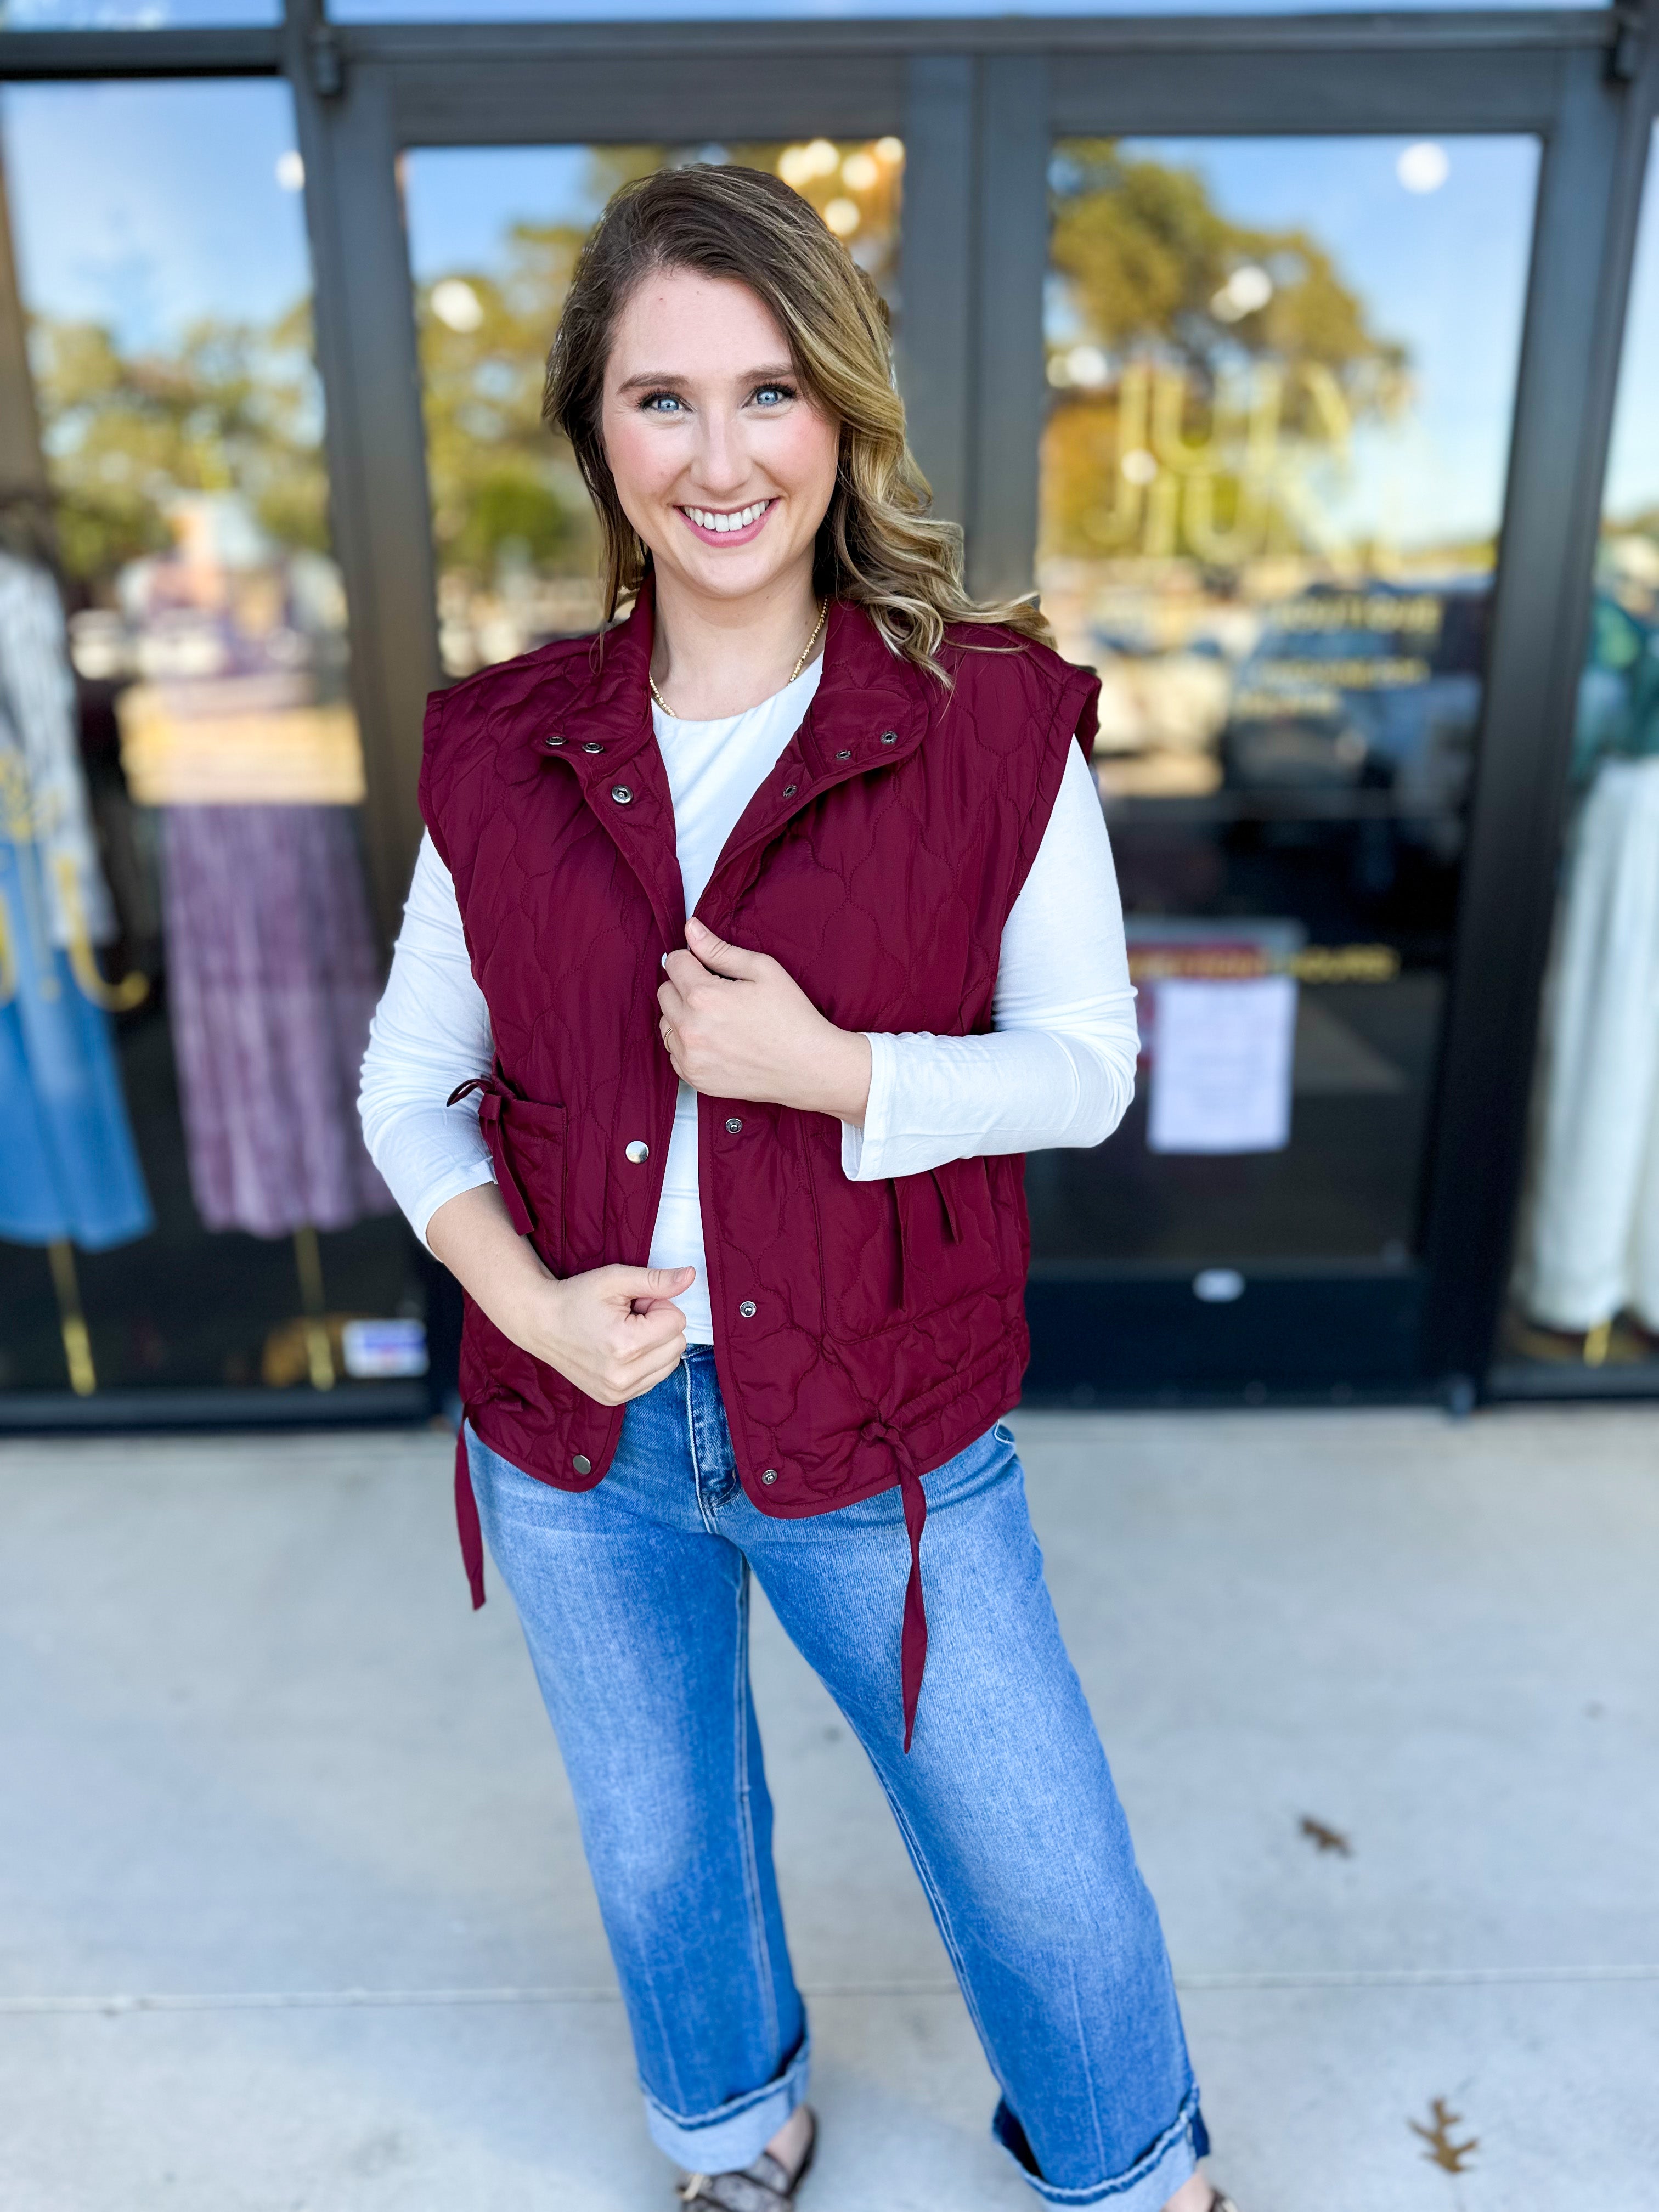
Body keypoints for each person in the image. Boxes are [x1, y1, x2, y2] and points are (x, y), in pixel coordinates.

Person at [360, 162, 1236, 2212]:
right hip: (578, 1430)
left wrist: (834, 1070)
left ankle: (1131, 2166)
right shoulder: (502, 751)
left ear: (838, 419)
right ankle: (731, 2129)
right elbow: (412, 1082)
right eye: (662, 399)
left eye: (769, 392)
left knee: (1036, 1849)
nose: (720, 454)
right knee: (665, 1840)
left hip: (882, 1414)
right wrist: (531, 1302)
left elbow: (1091, 1070)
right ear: (597, 432)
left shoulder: (991, 719)